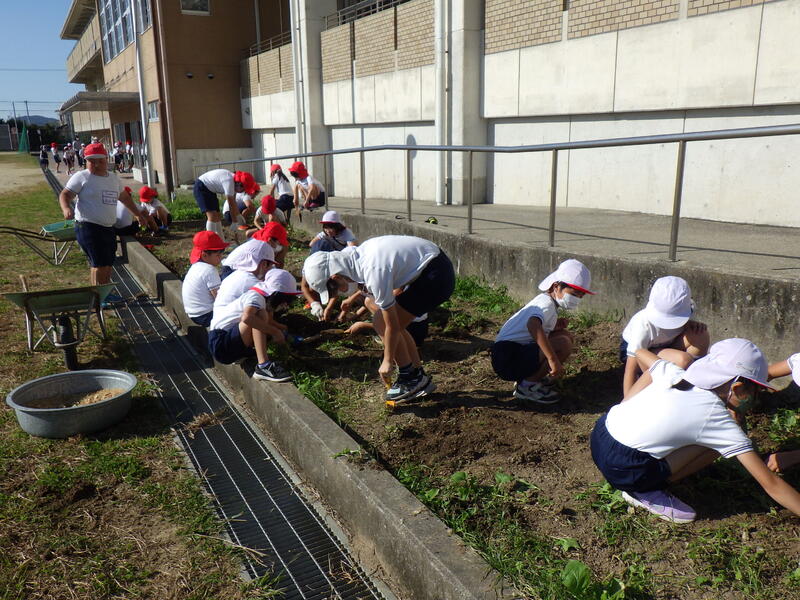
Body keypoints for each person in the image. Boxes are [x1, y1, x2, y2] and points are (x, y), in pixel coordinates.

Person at [590, 338, 800, 523]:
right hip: (624, 468)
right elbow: (771, 483)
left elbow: (643, 354)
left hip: (601, 433)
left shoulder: (675, 373)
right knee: (717, 445)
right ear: (736, 388)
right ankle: (644, 492)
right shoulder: (719, 421)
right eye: (757, 391)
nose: (757, 398)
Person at [303, 235, 455, 401]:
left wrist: (388, 361)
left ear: (336, 277)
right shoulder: (354, 258)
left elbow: (392, 325)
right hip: (430, 267)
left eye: (334, 289)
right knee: (386, 321)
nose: (337, 293)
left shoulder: (373, 270)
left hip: (436, 275)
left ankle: (410, 377)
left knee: (381, 322)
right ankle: (417, 375)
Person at [490, 259, 594, 404]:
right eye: (574, 294)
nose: (577, 299)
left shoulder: (545, 301)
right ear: (556, 286)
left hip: (508, 354)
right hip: (507, 357)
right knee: (563, 343)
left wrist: (554, 326)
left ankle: (531, 379)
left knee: (565, 336)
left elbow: (531, 329)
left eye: (581, 296)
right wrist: (553, 360)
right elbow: (533, 325)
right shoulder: (546, 304)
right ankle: (527, 386)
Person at [58, 143, 147, 301]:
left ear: (107, 159)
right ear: (85, 161)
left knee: (107, 261)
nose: (97, 164)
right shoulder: (82, 177)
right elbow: (65, 195)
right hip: (88, 226)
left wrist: (138, 214)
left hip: (108, 227)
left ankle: (104, 293)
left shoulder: (113, 178)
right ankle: (98, 297)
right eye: (92, 161)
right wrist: (66, 208)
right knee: (98, 262)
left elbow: (125, 198)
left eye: (100, 160)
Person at [620, 276, 709, 397]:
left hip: (666, 345)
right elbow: (631, 367)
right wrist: (627, 400)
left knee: (701, 335)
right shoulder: (642, 324)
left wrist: (689, 324)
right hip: (641, 354)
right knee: (683, 360)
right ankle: (651, 386)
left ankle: (688, 385)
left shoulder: (688, 307)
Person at [208, 268, 299, 382]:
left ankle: (244, 355)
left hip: (226, 341)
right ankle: (263, 366)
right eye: (286, 299)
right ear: (276, 293)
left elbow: (267, 322)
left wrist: (282, 330)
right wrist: (275, 332)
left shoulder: (260, 297)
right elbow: (247, 318)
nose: (285, 305)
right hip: (221, 343)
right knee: (259, 316)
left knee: (262, 318)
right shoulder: (256, 296)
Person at [182, 231, 229, 327]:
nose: (221, 258)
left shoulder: (196, 266)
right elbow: (220, 298)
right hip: (206, 315)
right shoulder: (210, 270)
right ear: (204, 255)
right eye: (218, 255)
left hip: (194, 313)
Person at [193, 168, 257, 237]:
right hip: (201, 187)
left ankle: (221, 239)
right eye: (243, 189)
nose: (243, 192)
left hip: (210, 190)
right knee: (212, 216)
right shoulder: (229, 182)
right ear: (239, 184)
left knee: (217, 216)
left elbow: (233, 203)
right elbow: (231, 204)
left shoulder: (234, 183)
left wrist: (237, 215)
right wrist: (235, 221)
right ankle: (211, 239)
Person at [214, 240, 276, 310]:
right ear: (264, 264)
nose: (270, 269)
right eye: (271, 266)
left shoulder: (236, 275)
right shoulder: (253, 283)